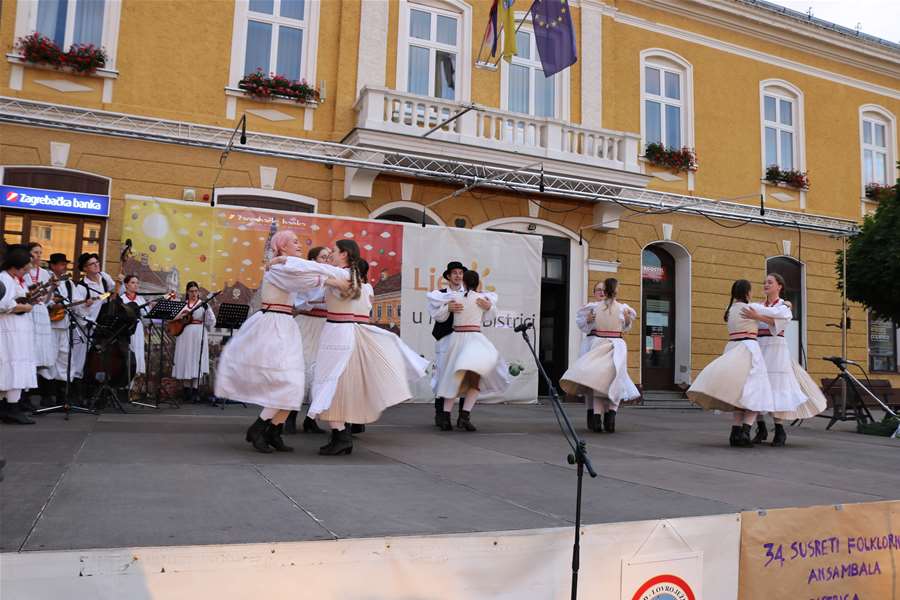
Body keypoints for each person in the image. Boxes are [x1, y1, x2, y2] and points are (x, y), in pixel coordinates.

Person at [216, 231, 349, 453]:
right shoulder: (278, 269)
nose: (299, 245)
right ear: (281, 247)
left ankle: (273, 430)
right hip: (273, 326)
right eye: (294, 242)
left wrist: (326, 274)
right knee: (286, 382)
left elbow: (307, 274)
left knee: (293, 385)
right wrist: (332, 276)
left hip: (285, 324)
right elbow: (307, 278)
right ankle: (259, 427)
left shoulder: (287, 266)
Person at [303, 239, 429, 455]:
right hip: (342, 331)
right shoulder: (350, 277)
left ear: (344, 254)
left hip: (339, 332)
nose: (330, 255)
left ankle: (341, 435)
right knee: (333, 384)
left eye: (333, 251)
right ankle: (341, 434)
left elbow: (315, 271)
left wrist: (282, 260)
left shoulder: (342, 274)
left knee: (328, 383)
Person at [687, 280, 778, 447]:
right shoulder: (752, 308)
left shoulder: (729, 310)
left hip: (732, 347)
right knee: (756, 392)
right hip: (749, 349)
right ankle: (744, 433)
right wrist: (786, 303)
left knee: (737, 393)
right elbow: (776, 312)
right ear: (747, 292)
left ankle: (734, 433)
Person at [744, 273, 826, 446]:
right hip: (759, 346)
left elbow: (777, 322)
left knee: (777, 386)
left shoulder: (783, 306)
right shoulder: (759, 305)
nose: (766, 284)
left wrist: (758, 316)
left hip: (776, 348)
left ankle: (779, 429)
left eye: (770, 282)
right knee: (757, 386)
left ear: (779, 286)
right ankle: (761, 426)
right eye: (764, 282)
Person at [432, 270, 510, 431]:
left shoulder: (455, 298)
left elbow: (439, 316)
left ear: (464, 283)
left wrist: (448, 308)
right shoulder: (482, 299)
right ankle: (464, 416)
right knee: (474, 381)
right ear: (478, 284)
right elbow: (490, 316)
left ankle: (447, 418)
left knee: (453, 379)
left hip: (457, 340)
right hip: (475, 340)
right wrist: (489, 306)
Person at [560, 278, 639, 433]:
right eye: (598, 290)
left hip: (602, 344)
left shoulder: (603, 308)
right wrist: (589, 321)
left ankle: (600, 418)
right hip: (605, 344)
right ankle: (604, 418)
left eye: (603, 290)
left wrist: (626, 320)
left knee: (601, 381)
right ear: (615, 290)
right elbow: (586, 326)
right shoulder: (601, 308)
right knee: (608, 380)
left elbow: (626, 324)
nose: (601, 293)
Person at [285, 245, 332, 435]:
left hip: (325, 326)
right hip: (306, 324)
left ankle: (311, 419)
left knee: (320, 373)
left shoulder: (330, 276)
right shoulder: (308, 277)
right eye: (323, 257)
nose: (327, 261)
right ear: (313, 260)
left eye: (329, 257)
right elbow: (304, 301)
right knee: (300, 370)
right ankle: (290, 417)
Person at [426, 261, 468, 427]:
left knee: (465, 374)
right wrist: (447, 308)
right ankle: (441, 416)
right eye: (455, 273)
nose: (458, 276)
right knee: (444, 375)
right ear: (448, 276)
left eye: (460, 273)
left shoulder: (469, 294)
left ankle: (463, 417)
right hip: (445, 339)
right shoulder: (439, 294)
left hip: (465, 340)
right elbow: (437, 316)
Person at [0, 245, 38, 425]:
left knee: (15, 365)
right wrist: (25, 307)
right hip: (9, 330)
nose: (26, 272)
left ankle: (9, 406)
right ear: (16, 266)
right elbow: (3, 304)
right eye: (24, 268)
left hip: (18, 330)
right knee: (11, 365)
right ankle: (11, 409)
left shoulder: (14, 279)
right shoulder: (5, 279)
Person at [40, 253, 85, 401]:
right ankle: (46, 395)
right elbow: (43, 300)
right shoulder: (46, 279)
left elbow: (77, 300)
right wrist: (54, 304)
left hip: (65, 325)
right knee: (50, 358)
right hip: (51, 326)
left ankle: (62, 395)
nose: (64, 267)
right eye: (60, 264)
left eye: (65, 264)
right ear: (52, 265)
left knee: (65, 358)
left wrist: (85, 303)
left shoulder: (69, 283)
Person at [172, 281, 216, 403]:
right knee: (186, 358)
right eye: (191, 291)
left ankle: (195, 391)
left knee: (196, 359)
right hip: (184, 334)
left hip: (198, 333)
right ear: (187, 292)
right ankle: (186, 391)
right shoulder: (183, 305)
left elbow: (211, 321)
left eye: (196, 291)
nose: (194, 293)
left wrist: (207, 311)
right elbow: (173, 318)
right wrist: (180, 317)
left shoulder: (203, 305)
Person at [24, 242, 56, 407]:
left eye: (40, 253)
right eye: (35, 252)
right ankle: (25, 395)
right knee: (29, 351)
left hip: (42, 313)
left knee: (41, 351)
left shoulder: (45, 273)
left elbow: (48, 301)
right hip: (28, 311)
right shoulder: (24, 272)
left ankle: (46, 394)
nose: (38, 256)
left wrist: (50, 290)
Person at [121, 275, 147, 377]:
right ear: (126, 285)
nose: (135, 285)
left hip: (138, 328)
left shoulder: (141, 299)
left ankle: (133, 383)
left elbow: (146, 318)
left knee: (138, 349)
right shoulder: (122, 299)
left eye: (137, 283)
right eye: (132, 282)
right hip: (126, 329)